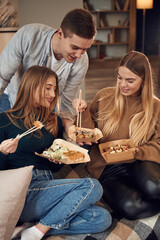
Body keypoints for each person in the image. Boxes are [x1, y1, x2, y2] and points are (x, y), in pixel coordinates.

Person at [0, 65, 111, 240]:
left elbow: (52, 167)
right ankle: (39, 230)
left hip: (49, 189)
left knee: (101, 218)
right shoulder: (5, 119)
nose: (53, 94)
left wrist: (59, 158)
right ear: (32, 86)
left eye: (54, 89)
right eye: (48, 88)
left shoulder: (54, 121)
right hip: (24, 191)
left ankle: (35, 227)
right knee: (92, 186)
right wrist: (3, 152)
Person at [72, 51, 160, 220]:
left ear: (144, 81)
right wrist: (82, 113)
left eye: (130, 80)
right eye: (120, 78)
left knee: (155, 188)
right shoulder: (104, 97)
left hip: (140, 160)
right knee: (132, 207)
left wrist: (138, 151)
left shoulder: (156, 107)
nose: (122, 84)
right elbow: (88, 136)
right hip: (108, 167)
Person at [0, 8, 96, 132]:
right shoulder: (28, 36)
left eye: (84, 49)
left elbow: (66, 102)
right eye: (75, 47)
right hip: (12, 101)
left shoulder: (82, 61)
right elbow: (2, 76)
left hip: (46, 107)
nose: (79, 55)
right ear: (60, 34)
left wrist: (69, 129)